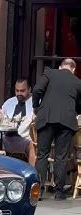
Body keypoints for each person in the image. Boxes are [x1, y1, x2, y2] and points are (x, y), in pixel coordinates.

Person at [33, 58, 81, 199]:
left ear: (60, 67)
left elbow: (37, 90)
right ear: (73, 69)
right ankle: (59, 192)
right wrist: (76, 110)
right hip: (66, 121)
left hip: (46, 118)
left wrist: (36, 106)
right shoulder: (77, 81)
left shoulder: (49, 73)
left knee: (42, 155)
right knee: (61, 156)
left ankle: (38, 191)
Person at [1, 77, 36, 166]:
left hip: (25, 139)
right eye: (17, 91)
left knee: (33, 145)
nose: (19, 93)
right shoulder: (9, 103)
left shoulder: (36, 103)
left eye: (22, 91)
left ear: (29, 89)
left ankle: (32, 175)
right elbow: (1, 119)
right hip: (6, 138)